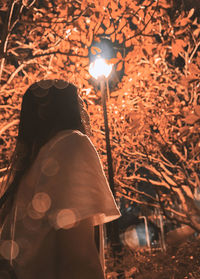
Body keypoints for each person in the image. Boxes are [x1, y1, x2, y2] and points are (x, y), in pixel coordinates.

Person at [0, 80, 121, 279]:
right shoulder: (71, 144)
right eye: (77, 102)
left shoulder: (23, 175)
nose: (84, 108)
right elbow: (79, 259)